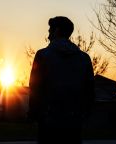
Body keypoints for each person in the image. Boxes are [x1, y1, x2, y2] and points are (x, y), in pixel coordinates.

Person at [28, 16, 95, 144]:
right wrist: (85, 113)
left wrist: (33, 112)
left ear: (57, 31)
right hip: (74, 120)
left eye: (49, 31)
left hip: (48, 120)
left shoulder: (42, 55)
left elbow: (35, 87)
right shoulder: (84, 58)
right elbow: (89, 90)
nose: (48, 35)